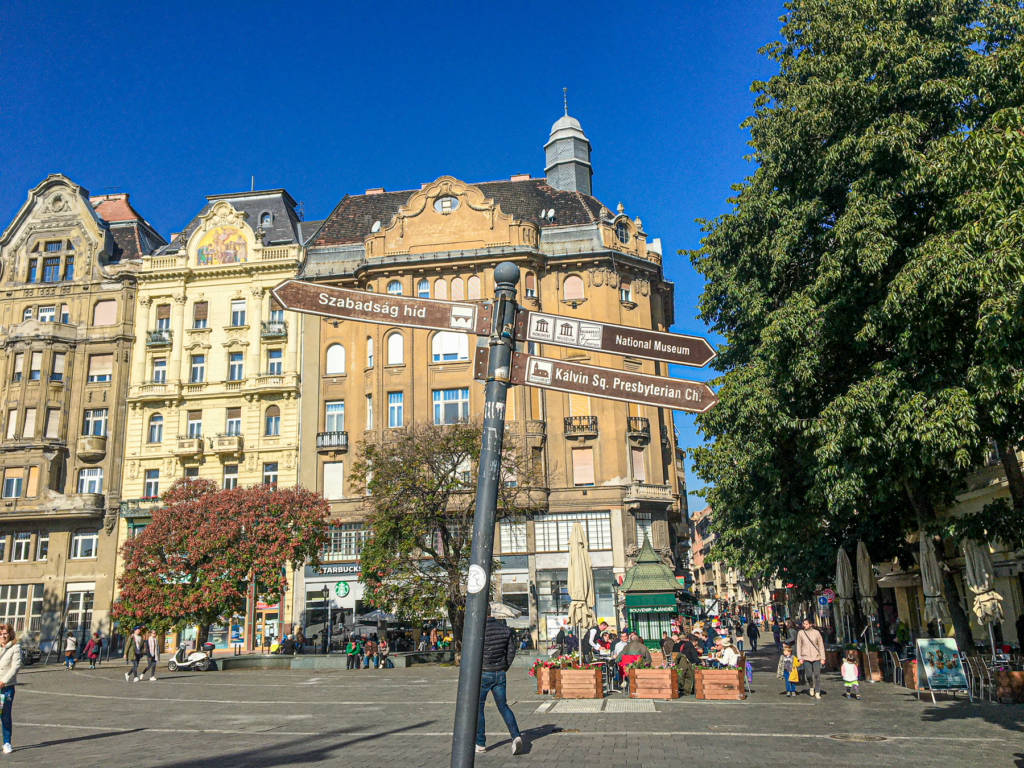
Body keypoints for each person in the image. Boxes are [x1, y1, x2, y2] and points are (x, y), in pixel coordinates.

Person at [476, 605, 522, 755]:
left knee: (479, 708)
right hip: (500, 673)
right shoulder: (505, 629)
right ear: (492, 613)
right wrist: (504, 666)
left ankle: (481, 743)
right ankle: (516, 736)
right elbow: (511, 651)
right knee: (503, 706)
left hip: (483, 673)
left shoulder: (478, 630)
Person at [0, 624, 21, 754]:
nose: (3, 636)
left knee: (5, 715)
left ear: (10, 634)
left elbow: (15, 666)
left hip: (5, 687)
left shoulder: (15, 648)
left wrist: (3, 682)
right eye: (1, 634)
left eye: (5, 633)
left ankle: (7, 742)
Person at [796, 618, 825, 698]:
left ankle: (817, 691)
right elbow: (799, 646)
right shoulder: (801, 633)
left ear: (810, 624)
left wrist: (822, 658)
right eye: (803, 624)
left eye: (806, 624)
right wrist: (799, 657)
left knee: (817, 675)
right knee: (808, 675)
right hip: (806, 657)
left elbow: (821, 646)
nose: (804, 625)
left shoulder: (816, 633)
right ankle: (811, 686)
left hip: (816, 656)